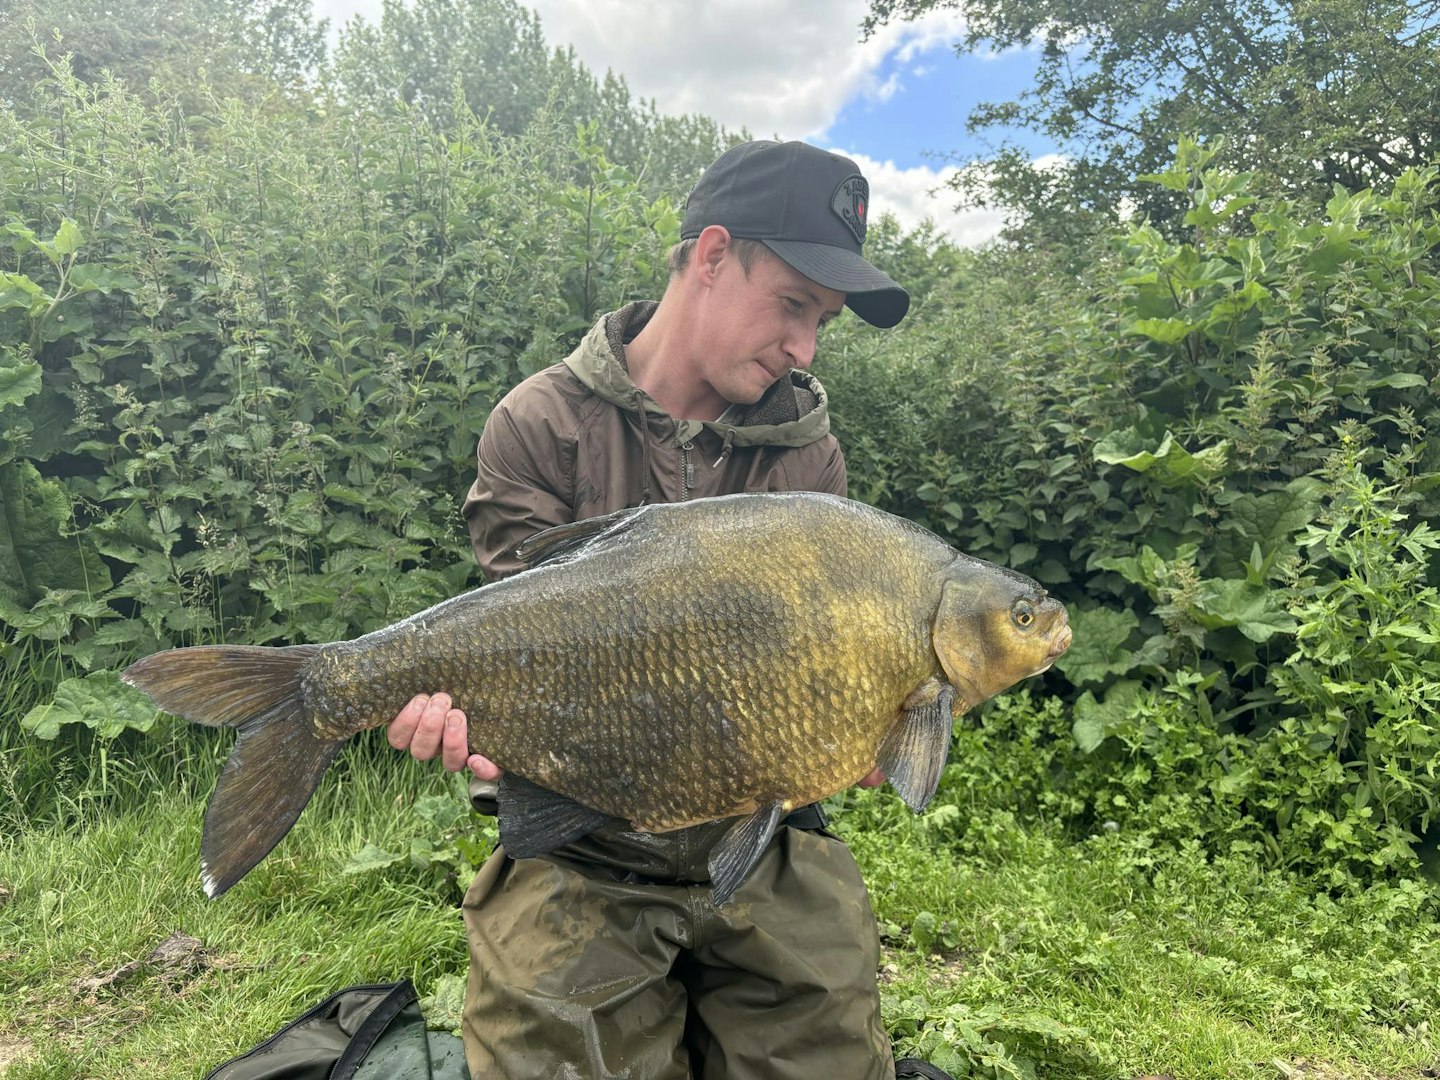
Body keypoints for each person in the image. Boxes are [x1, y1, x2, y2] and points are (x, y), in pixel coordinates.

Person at [388, 140, 913, 1079]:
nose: (806, 347)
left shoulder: (809, 457)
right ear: (711, 256)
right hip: (583, 840)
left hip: (763, 832)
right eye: (795, 305)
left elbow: (831, 659)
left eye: (822, 321)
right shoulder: (539, 423)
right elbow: (517, 642)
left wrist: (870, 718)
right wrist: (462, 711)